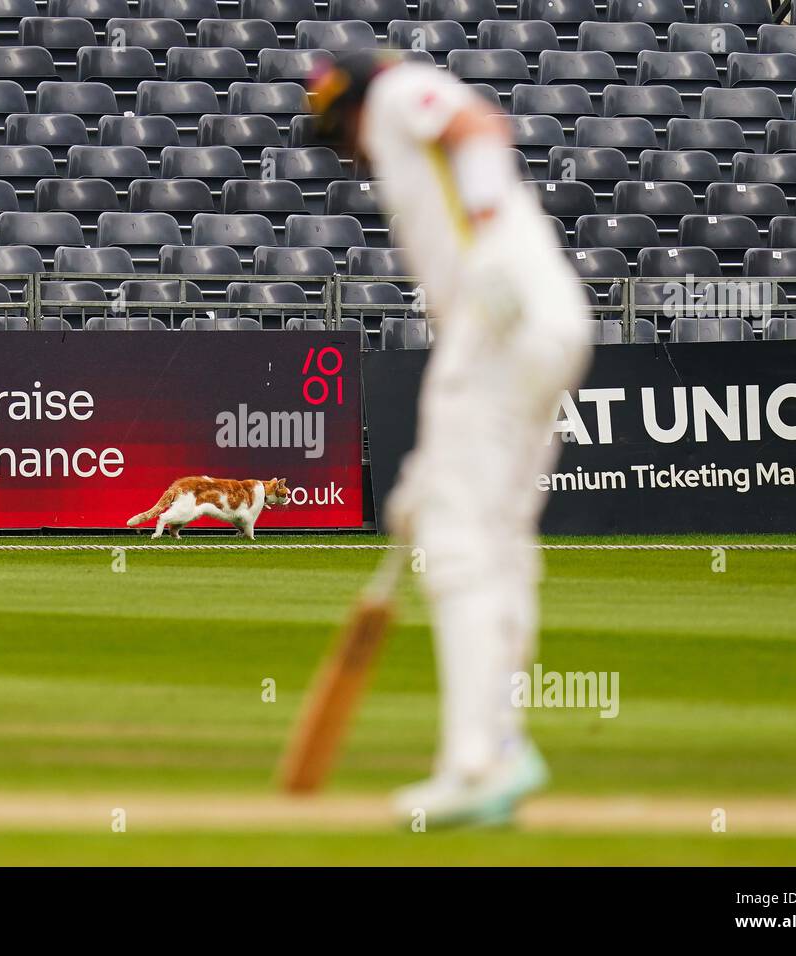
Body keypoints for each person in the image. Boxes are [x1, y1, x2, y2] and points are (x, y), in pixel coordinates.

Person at [308, 52, 592, 827]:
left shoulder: (398, 92)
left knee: (459, 540)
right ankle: (498, 745)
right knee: (495, 541)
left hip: (505, 321)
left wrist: (495, 239)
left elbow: (478, 126)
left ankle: (477, 762)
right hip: (532, 325)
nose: (352, 149)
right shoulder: (398, 151)